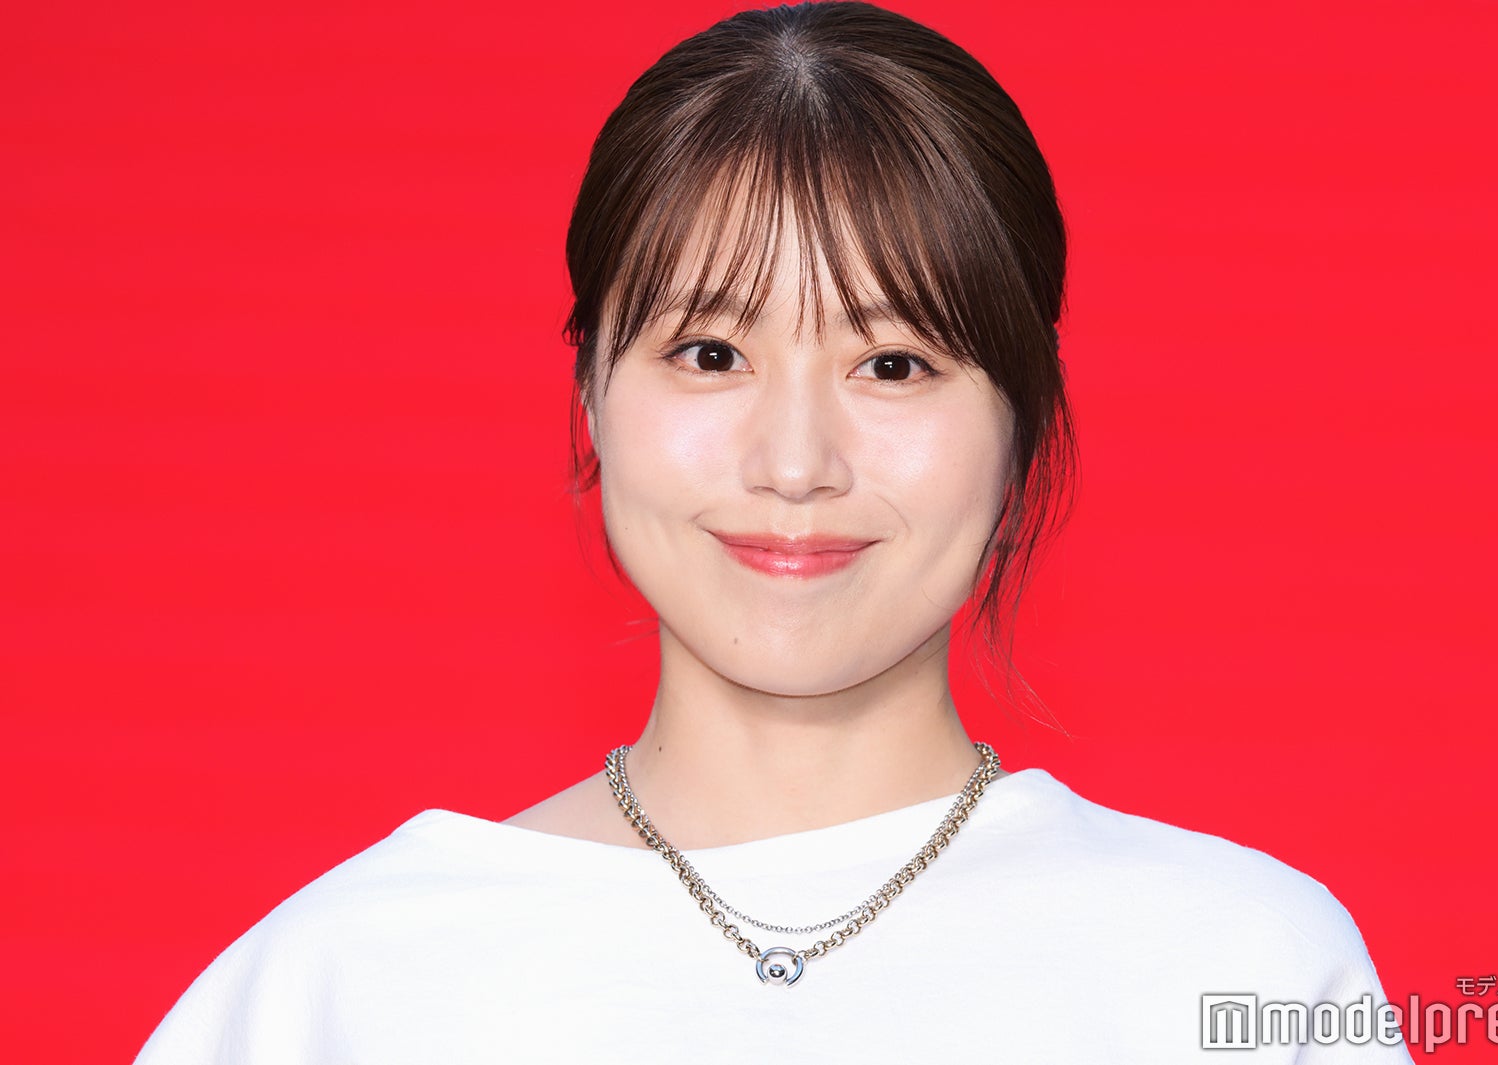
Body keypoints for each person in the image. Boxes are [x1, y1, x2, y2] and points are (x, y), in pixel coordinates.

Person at [134, 3, 1413, 1062]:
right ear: (588, 393)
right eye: (711, 353)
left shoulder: (1242, 972)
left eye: (894, 364)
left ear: (1024, 416)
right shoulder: (341, 990)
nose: (795, 465)